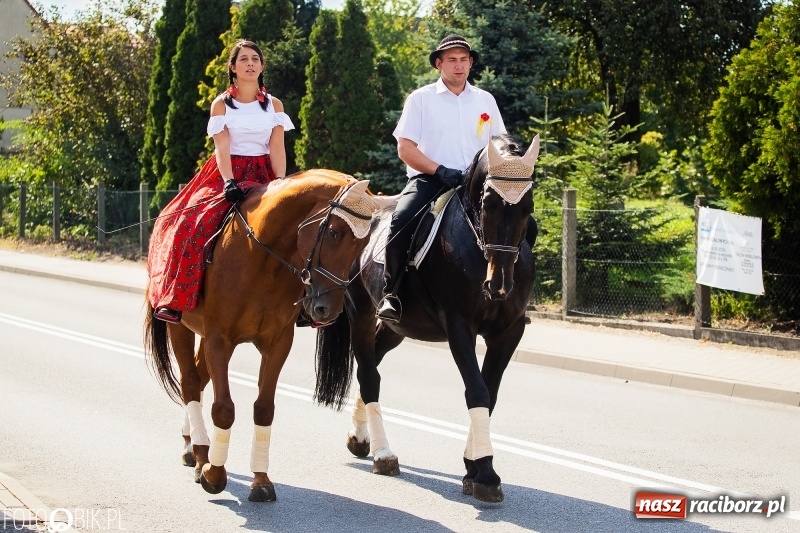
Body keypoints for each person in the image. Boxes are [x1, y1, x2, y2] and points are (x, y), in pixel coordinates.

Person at [148, 39, 294, 323]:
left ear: (262, 66)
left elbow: (277, 148)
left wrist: (280, 183)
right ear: (233, 67)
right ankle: (175, 300)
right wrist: (229, 182)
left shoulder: (274, 105)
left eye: (255, 59)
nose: (250, 64)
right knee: (189, 223)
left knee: (296, 229)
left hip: (264, 174)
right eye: (243, 59)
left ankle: (302, 306)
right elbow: (222, 148)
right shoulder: (222, 104)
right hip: (227, 172)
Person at [376, 35, 507, 323]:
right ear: (439, 64)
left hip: (478, 185)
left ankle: (513, 295)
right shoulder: (420, 99)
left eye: (463, 60)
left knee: (524, 225)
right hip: (432, 180)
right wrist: (439, 170)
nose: (458, 66)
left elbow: (500, 143)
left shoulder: (485, 99)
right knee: (401, 221)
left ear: (470, 63)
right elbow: (405, 148)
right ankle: (391, 294)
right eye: (452, 60)